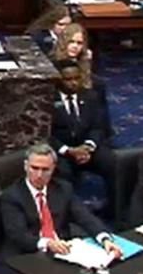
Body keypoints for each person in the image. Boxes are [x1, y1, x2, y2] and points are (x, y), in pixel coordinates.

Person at [0, 143, 121, 274]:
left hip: (62, 253)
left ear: (53, 169)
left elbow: (84, 216)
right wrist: (48, 243)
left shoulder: (63, 188)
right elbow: (18, 236)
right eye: (34, 168)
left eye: (45, 170)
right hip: (25, 255)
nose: (39, 174)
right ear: (25, 166)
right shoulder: (12, 196)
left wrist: (104, 238)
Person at [50, 60, 116, 201]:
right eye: (68, 79)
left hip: (87, 147)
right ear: (58, 80)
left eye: (76, 78)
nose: (74, 83)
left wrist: (88, 146)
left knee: (113, 162)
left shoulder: (90, 97)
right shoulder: (47, 101)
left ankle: (115, 210)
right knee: (63, 173)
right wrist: (68, 150)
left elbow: (98, 126)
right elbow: (46, 135)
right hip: (61, 151)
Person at [50, 22, 95, 89]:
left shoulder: (85, 62)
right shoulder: (52, 63)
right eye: (71, 42)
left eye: (79, 43)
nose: (75, 46)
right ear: (63, 42)